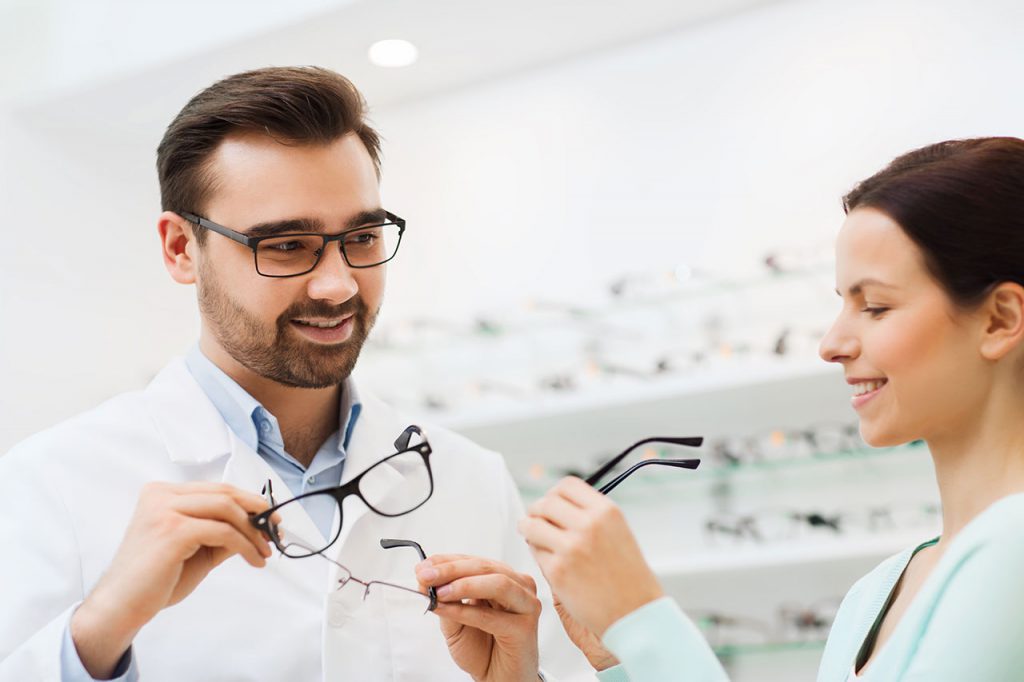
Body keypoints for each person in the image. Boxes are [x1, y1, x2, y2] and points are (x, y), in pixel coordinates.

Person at [0, 66, 570, 682]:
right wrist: (98, 630)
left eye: (362, 237)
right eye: (286, 246)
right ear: (181, 249)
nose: (338, 285)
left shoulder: (473, 478)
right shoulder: (51, 483)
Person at [418, 137, 1024, 680]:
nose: (832, 343)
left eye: (876, 307)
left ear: (1000, 320)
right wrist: (613, 659)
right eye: (841, 303)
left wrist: (641, 617)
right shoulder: (877, 593)